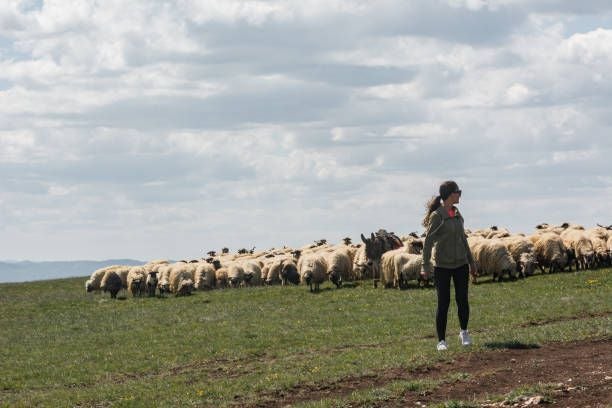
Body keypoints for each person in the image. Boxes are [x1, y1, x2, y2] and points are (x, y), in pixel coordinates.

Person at [420, 180, 477, 351]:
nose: (460, 195)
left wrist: (472, 263)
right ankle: (442, 341)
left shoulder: (458, 214)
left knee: (462, 300)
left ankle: (464, 332)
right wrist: (425, 265)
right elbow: (428, 242)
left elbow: (463, 240)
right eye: (458, 191)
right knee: (443, 303)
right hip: (442, 266)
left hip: (460, 264)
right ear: (450, 194)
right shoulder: (437, 216)